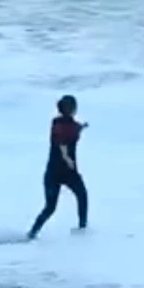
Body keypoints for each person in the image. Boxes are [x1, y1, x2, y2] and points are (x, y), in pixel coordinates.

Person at [27, 94, 89, 240]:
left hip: (55, 172)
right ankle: (82, 229)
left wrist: (82, 127)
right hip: (63, 172)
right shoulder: (60, 125)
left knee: (55, 205)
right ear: (72, 109)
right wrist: (67, 158)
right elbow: (62, 142)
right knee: (77, 198)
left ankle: (32, 233)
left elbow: (73, 130)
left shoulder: (61, 123)